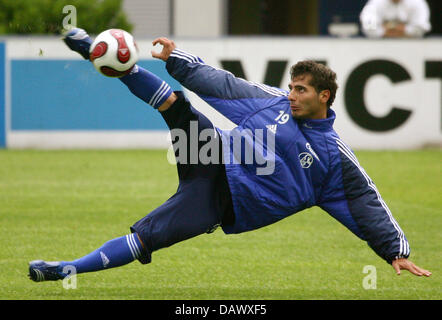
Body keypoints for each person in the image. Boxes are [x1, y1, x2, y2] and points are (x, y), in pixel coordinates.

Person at [28, 28, 431, 283]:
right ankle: (101, 53)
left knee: (147, 238)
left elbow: (364, 201)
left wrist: (394, 249)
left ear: (324, 96)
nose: (291, 94)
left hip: (225, 203)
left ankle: (66, 270)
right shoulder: (273, 102)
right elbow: (223, 85)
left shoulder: (333, 159)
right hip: (213, 154)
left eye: (302, 90)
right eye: (291, 86)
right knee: (175, 104)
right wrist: (178, 61)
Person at [360, 0, 431, 38]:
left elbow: (422, 27)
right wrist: (383, 32)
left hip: (412, 47)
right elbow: (368, 26)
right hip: (381, 47)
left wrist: (404, 30)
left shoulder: (417, 2)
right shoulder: (375, 2)